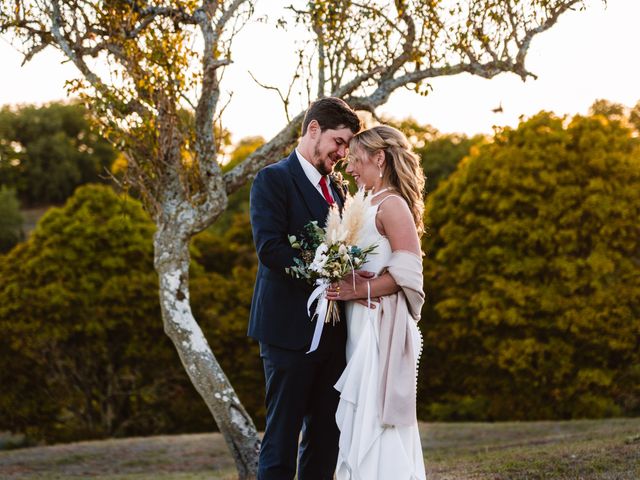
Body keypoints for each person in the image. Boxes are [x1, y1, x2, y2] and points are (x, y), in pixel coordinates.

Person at [248, 97, 361, 480]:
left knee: (326, 438)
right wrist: (323, 273)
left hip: (333, 336)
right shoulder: (273, 179)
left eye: (346, 146)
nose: (342, 153)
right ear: (314, 130)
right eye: (339, 142)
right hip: (287, 333)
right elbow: (270, 248)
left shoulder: (340, 190)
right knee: (281, 439)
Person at [326, 125, 427, 479]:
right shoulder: (363, 202)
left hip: (378, 326)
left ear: (379, 158)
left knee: (374, 418)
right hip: (357, 325)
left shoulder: (392, 204)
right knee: (359, 417)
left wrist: (360, 290)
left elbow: (410, 273)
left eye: (355, 160)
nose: (350, 168)